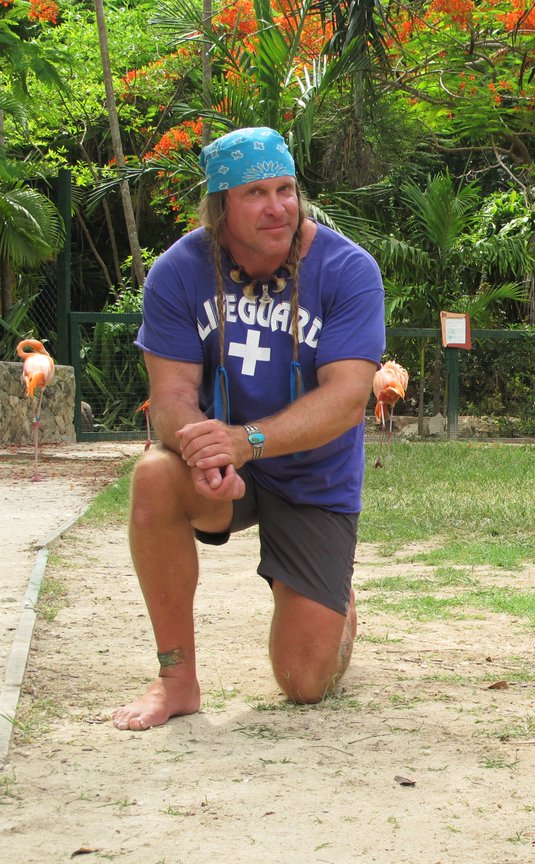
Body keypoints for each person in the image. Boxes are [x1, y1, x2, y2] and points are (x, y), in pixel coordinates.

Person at [112, 127, 385, 731]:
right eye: (255, 193)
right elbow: (171, 397)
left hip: (314, 477)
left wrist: (246, 440)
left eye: (286, 189)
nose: (278, 207)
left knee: (303, 682)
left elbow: (345, 400)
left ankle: (333, 606)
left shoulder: (348, 270)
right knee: (155, 475)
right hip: (224, 470)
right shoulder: (178, 271)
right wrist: (203, 448)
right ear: (220, 207)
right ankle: (176, 680)